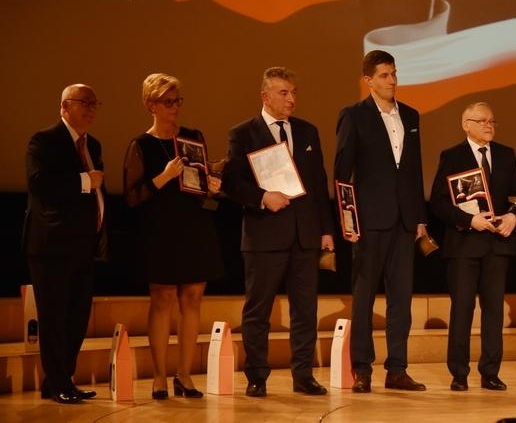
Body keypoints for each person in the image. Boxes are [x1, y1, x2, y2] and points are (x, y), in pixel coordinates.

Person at [223, 67, 335, 397]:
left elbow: (319, 184)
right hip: (264, 236)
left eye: (294, 92)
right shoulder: (243, 133)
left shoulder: (307, 131)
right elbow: (232, 182)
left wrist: (326, 230)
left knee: (306, 310)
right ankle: (257, 376)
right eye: (284, 93)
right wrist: (262, 197)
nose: (291, 99)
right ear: (265, 96)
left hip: (305, 235)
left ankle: (304, 375)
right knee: (258, 310)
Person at [123, 73, 224, 399]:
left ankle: (185, 375)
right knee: (163, 299)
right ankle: (159, 377)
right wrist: (165, 176)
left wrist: (212, 186)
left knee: (193, 298)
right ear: (150, 104)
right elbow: (132, 196)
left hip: (194, 226)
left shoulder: (193, 137)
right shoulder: (141, 145)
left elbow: (200, 183)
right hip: (160, 230)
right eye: (167, 101)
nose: (174, 107)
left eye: (177, 100)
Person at [334, 49, 429, 393]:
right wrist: (348, 220)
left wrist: (420, 217)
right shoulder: (353, 116)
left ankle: (397, 369)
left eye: (394, 73)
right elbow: (342, 173)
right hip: (369, 219)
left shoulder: (411, 115)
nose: (392, 80)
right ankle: (362, 368)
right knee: (364, 297)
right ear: (368, 80)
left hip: (404, 220)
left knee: (401, 298)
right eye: (384, 75)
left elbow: (414, 170)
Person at [429, 102, 516, 391]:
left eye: (492, 121)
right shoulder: (452, 156)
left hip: (497, 245)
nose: (488, 125)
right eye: (482, 121)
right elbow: (438, 202)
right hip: (464, 246)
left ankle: (490, 372)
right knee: (462, 309)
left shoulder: (506, 154)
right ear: (466, 125)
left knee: (494, 311)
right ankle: (459, 373)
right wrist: (470, 220)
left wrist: (513, 217)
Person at [22, 83, 106, 404]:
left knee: (77, 317)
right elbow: (38, 183)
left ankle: (62, 380)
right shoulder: (44, 141)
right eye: (85, 102)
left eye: (95, 103)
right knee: (54, 318)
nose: (91, 109)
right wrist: (84, 181)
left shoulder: (92, 144)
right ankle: (57, 382)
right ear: (65, 106)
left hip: (83, 245)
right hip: (51, 246)